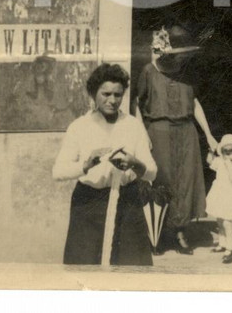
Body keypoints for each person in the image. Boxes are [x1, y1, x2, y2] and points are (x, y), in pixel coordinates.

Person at [53, 63, 157, 266]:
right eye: (106, 94)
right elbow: (58, 172)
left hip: (128, 204)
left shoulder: (133, 125)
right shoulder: (79, 127)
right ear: (93, 94)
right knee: (84, 267)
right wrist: (85, 165)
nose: (112, 100)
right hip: (89, 205)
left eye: (118, 95)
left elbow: (152, 172)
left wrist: (136, 164)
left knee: (132, 268)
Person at [135, 25, 219, 254]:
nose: (180, 58)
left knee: (185, 183)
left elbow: (194, 103)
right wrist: (142, 134)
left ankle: (180, 232)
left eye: (183, 55)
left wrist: (209, 135)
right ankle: (158, 233)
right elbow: (137, 104)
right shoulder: (149, 72)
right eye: (176, 54)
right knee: (162, 182)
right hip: (159, 132)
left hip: (186, 131)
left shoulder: (188, 75)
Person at [205, 134, 232, 264]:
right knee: (219, 220)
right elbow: (209, 161)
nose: (230, 156)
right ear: (222, 154)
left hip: (230, 197)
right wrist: (211, 151)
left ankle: (230, 247)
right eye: (226, 153)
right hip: (220, 195)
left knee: (226, 222)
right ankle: (222, 243)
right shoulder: (220, 162)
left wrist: (229, 166)